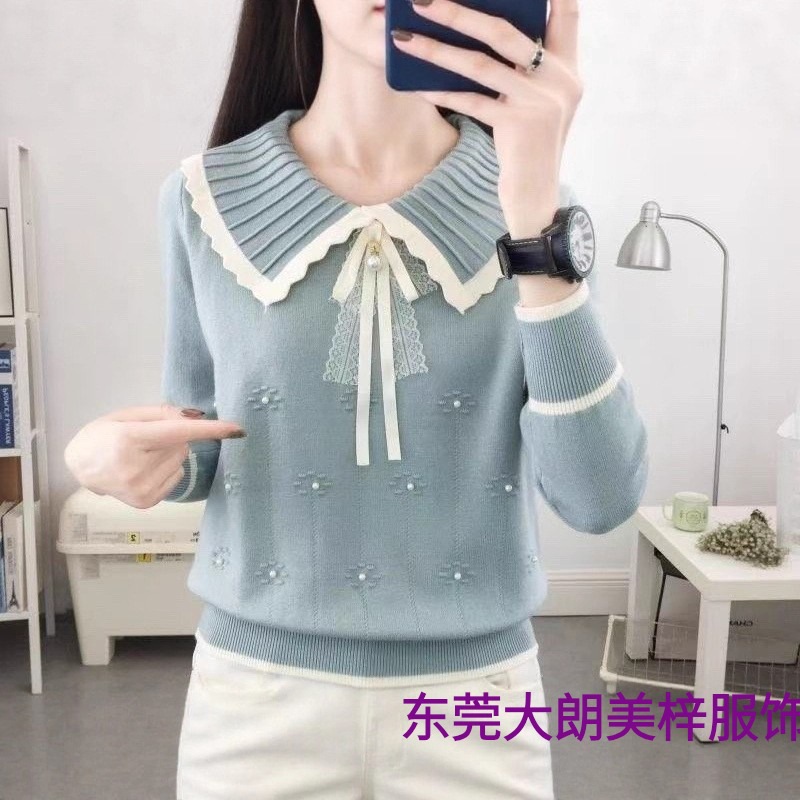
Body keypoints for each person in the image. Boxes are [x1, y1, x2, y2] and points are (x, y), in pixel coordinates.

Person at [65, 0, 649, 797]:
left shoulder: (539, 206)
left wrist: (533, 220)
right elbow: (208, 439)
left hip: (475, 707)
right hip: (254, 708)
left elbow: (599, 497)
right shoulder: (202, 197)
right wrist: (105, 455)